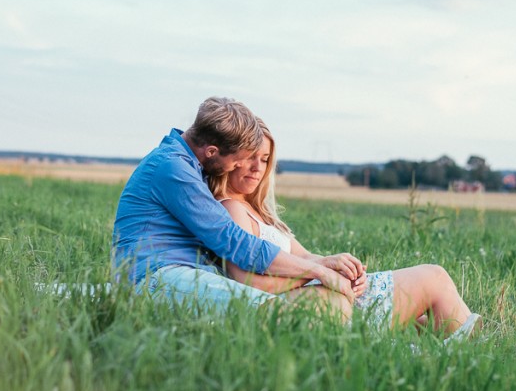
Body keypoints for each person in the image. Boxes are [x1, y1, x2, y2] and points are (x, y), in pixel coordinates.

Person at [208, 120, 482, 340]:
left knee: (423, 321)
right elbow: (245, 281)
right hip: (310, 300)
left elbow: (305, 257)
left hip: (321, 291)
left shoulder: (256, 210)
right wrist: (320, 275)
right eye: (251, 157)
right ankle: (473, 355)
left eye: (265, 159)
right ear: (233, 159)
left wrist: (338, 266)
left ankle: (461, 353)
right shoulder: (232, 209)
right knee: (433, 278)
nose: (258, 167)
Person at [113, 97, 364, 318]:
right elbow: (232, 241)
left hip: (186, 274)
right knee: (284, 316)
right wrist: (316, 270)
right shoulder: (173, 169)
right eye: (235, 162)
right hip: (156, 277)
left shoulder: (187, 165)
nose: (236, 168)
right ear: (212, 151)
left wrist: (322, 266)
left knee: (317, 306)